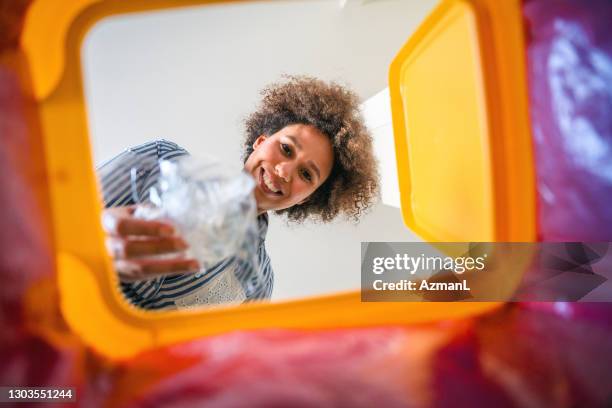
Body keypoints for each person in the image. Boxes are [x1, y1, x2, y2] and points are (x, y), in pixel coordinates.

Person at [99, 76, 379, 310]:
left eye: (306, 174)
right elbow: (60, 220)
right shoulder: (161, 159)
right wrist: (93, 240)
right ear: (260, 141)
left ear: (305, 198)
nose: (283, 171)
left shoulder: (258, 286)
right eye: (286, 148)